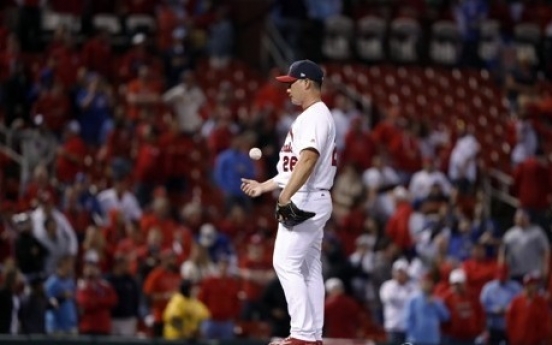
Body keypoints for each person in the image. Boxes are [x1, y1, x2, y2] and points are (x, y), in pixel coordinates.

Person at [241, 60, 337, 345]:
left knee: (285, 262)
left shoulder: (315, 116)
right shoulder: (314, 115)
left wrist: (284, 196)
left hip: (307, 197)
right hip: (313, 195)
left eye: (291, 83)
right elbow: (294, 167)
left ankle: (304, 336)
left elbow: (308, 159)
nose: (287, 89)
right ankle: (312, 335)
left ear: (307, 82)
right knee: (308, 267)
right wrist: (266, 186)